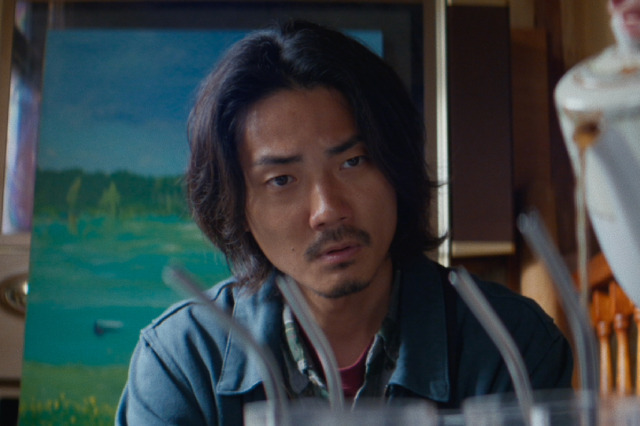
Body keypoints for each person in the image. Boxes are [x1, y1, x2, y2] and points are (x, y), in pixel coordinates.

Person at [116, 20, 573, 425]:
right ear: (236, 208)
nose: (327, 210)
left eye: (353, 162)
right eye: (281, 180)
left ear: (396, 165)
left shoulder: (510, 343)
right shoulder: (183, 360)